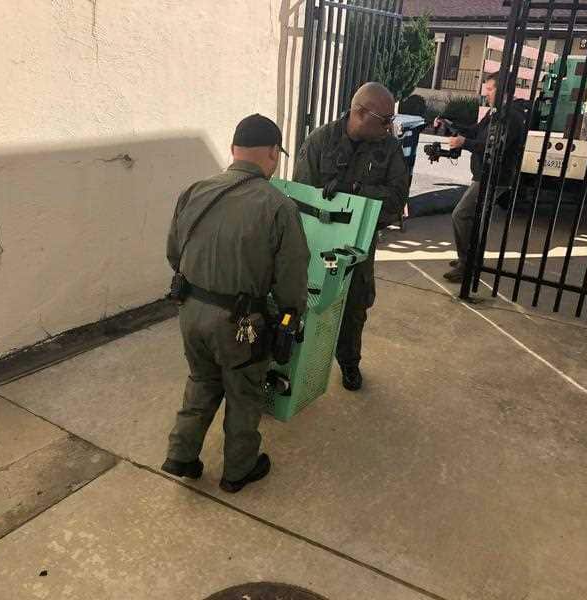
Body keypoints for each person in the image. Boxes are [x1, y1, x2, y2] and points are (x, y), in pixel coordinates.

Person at [162, 114, 310, 493]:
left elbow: (173, 253)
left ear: (233, 150)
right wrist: (291, 317)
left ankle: (181, 454)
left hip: (191, 312)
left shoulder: (194, 190)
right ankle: (239, 470)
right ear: (274, 155)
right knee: (244, 394)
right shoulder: (278, 206)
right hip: (239, 323)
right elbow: (292, 278)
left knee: (202, 380)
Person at [293, 82, 409, 391]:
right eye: (385, 120)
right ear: (359, 113)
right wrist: (328, 204)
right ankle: (299, 364)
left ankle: (349, 363)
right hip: (319, 242)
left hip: (359, 243)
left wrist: (355, 193)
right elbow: (302, 199)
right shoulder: (320, 141)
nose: (390, 126)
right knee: (311, 302)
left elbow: (397, 201)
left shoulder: (389, 148)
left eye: (391, 120)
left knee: (355, 305)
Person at [436, 71, 526, 283]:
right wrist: (451, 124)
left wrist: (463, 143)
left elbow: (494, 149)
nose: (486, 93)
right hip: (483, 174)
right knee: (473, 218)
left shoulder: (511, 117)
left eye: (490, 89)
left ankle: (467, 264)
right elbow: (475, 131)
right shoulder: (495, 113)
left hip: (495, 178)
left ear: (503, 90)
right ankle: (469, 260)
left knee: (461, 215)